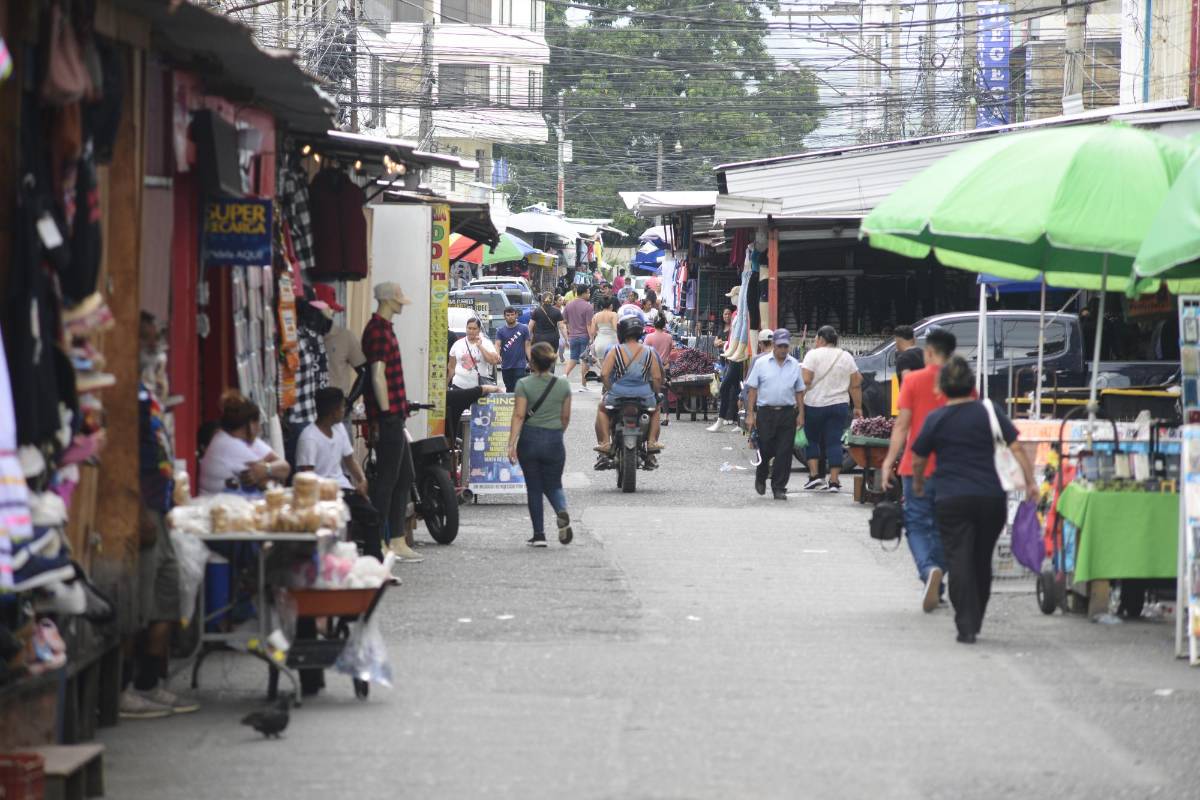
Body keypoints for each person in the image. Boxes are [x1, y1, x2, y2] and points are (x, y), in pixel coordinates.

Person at [911, 356, 1037, 644]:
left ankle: (966, 622)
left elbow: (919, 457)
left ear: (942, 388)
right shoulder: (989, 410)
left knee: (958, 559)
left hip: (951, 499)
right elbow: (1016, 447)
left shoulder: (936, 418)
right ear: (971, 386)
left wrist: (919, 483)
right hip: (992, 498)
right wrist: (1030, 482)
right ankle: (975, 615)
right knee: (981, 558)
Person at [121, 313, 197, 719]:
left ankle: (151, 683)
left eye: (157, 339)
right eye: (146, 339)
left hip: (160, 508)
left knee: (166, 597)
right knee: (140, 604)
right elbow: (121, 460)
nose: (154, 346)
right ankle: (128, 687)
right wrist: (137, 510)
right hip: (142, 509)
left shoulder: (145, 392)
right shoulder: (124, 397)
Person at [880, 327, 958, 611]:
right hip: (952, 467)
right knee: (945, 526)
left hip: (916, 465)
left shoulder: (912, 381)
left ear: (929, 353)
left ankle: (929, 572)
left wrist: (889, 461)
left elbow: (902, 425)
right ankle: (937, 574)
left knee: (916, 523)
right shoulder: (962, 383)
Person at [361, 282, 422, 563]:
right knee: (386, 480)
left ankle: (396, 538)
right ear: (387, 301)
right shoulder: (378, 332)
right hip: (388, 418)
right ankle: (379, 542)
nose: (401, 304)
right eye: (398, 300)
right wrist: (385, 413)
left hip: (395, 414)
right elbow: (376, 375)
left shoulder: (385, 329)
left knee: (404, 476)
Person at [295, 387, 382, 559]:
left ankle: (374, 561)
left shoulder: (339, 429)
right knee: (343, 520)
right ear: (332, 411)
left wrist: (361, 480)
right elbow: (306, 478)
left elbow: (349, 459)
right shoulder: (309, 438)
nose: (344, 411)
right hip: (321, 495)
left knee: (372, 514)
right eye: (342, 407)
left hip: (342, 488)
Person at [506, 343, 574, 548]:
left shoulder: (523, 384)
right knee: (554, 484)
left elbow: (519, 415)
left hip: (529, 440)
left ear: (532, 362)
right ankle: (561, 510)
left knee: (534, 488)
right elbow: (566, 417)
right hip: (554, 439)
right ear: (552, 361)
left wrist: (511, 444)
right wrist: (556, 433)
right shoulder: (563, 385)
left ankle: (539, 535)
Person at [799, 325, 862, 493]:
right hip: (839, 405)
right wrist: (858, 407)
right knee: (834, 442)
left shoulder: (812, 355)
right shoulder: (846, 356)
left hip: (814, 404)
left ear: (820, 339)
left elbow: (805, 380)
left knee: (811, 440)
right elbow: (856, 383)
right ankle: (834, 481)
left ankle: (815, 477)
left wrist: (798, 406)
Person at [745, 329, 807, 500]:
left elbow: (800, 391)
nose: (783, 350)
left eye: (786, 346)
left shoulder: (794, 364)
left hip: (787, 413)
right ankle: (761, 474)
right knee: (765, 449)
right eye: (780, 346)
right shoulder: (761, 363)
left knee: (784, 452)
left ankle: (779, 487)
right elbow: (752, 389)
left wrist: (801, 414)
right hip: (766, 413)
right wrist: (750, 414)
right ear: (773, 345)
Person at [594, 317, 665, 456]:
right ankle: (651, 442)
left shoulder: (615, 350)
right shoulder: (650, 352)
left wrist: (610, 389)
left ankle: (605, 443)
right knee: (656, 409)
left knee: (602, 409)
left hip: (617, 395)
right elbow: (657, 377)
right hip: (644, 395)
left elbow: (604, 374)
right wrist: (655, 392)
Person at [198, 391, 290, 495]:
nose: (260, 429)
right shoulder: (229, 445)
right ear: (250, 425)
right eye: (257, 423)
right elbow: (268, 485)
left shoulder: (246, 439)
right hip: (219, 506)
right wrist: (271, 471)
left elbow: (285, 467)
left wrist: (266, 469)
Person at [447, 317, 503, 444]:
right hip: (459, 387)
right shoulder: (458, 344)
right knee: (458, 420)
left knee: (479, 420)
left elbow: (494, 361)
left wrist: (480, 346)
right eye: (469, 328)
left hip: (479, 390)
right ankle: (459, 446)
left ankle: (477, 446)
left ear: (479, 330)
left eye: (474, 329)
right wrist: (446, 384)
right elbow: (451, 367)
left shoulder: (486, 342)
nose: (471, 331)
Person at [708, 303, 743, 433]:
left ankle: (722, 420)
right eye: (725, 314)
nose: (727, 316)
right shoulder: (737, 316)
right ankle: (737, 422)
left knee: (727, 388)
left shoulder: (740, 316)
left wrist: (726, 345)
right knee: (738, 390)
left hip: (737, 358)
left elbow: (738, 339)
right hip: (731, 358)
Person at [562, 284, 595, 391]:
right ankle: (583, 385)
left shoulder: (568, 305)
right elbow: (588, 324)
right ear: (584, 293)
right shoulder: (588, 306)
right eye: (588, 292)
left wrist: (569, 331)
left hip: (573, 336)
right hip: (584, 336)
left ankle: (564, 376)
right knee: (585, 361)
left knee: (573, 358)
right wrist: (592, 338)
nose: (589, 294)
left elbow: (565, 321)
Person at [496, 306, 532, 392]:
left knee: (519, 389)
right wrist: (497, 355)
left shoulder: (524, 328)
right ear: (504, 316)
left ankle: (520, 405)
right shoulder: (500, 330)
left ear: (516, 315)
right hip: (506, 366)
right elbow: (497, 344)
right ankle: (512, 405)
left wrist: (531, 360)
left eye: (512, 314)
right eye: (508, 315)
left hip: (520, 365)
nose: (510, 317)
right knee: (509, 389)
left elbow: (527, 345)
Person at [529, 291, 565, 357]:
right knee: (552, 356)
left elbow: (530, 326)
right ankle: (551, 367)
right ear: (552, 300)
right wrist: (566, 339)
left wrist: (528, 337)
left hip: (539, 338)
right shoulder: (557, 311)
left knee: (540, 357)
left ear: (542, 300)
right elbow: (562, 327)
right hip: (553, 338)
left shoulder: (537, 311)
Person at [591, 295, 620, 363]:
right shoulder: (613, 314)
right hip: (612, 342)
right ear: (611, 305)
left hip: (599, 343)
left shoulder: (596, 315)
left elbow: (592, 332)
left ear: (601, 306)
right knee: (612, 367)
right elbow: (615, 328)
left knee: (603, 368)